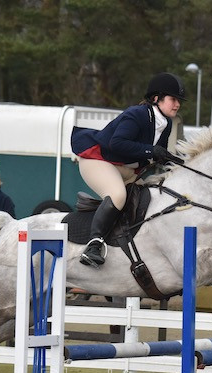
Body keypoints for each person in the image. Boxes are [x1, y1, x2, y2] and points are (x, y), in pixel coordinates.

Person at [70, 72, 186, 267]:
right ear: (156, 98)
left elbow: (159, 156)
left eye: (179, 101)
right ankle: (93, 245)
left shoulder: (165, 124)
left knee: (148, 198)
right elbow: (117, 143)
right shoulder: (137, 114)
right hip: (98, 161)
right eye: (173, 99)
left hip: (124, 169)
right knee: (118, 195)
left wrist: (177, 164)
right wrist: (151, 150)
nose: (177, 104)